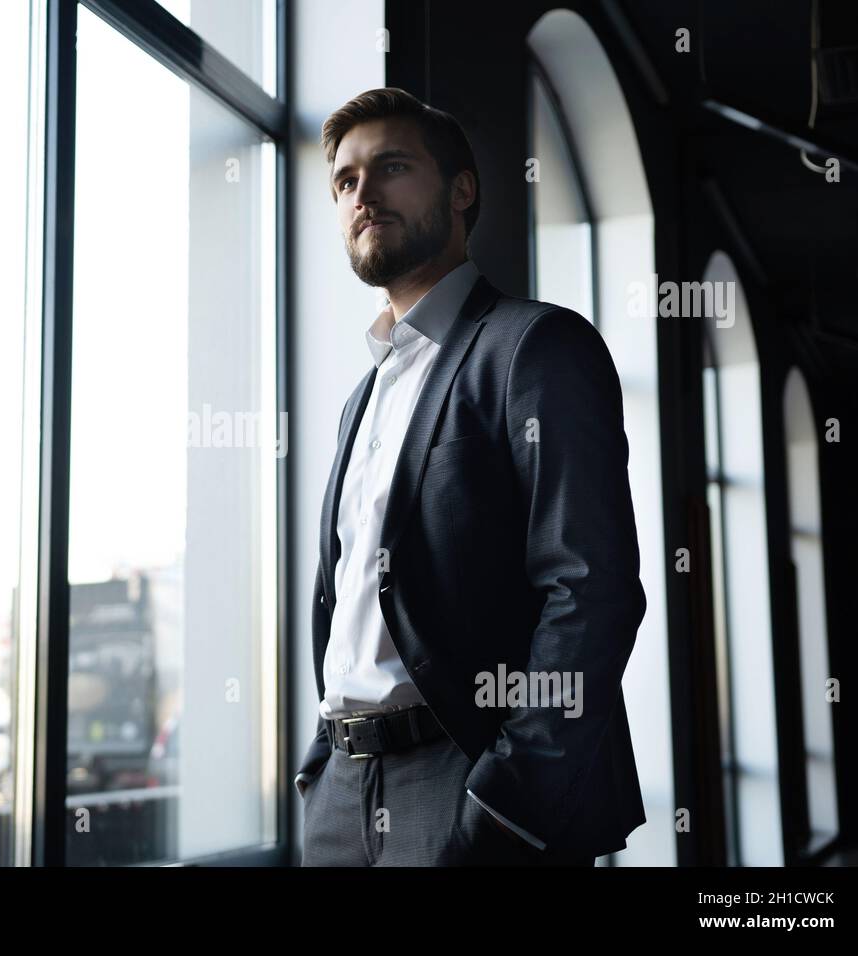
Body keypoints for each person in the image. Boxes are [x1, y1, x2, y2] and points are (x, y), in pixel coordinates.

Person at [297, 87, 647, 866]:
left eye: (391, 166)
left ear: (462, 191)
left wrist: (509, 798)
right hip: (339, 796)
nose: (364, 194)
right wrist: (319, 769)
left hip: (465, 783)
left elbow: (591, 590)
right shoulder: (363, 394)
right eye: (345, 181)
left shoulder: (536, 347)